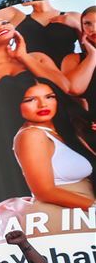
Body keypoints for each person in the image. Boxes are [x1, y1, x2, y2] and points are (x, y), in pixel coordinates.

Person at [0, 17, 71, 206]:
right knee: (22, 218)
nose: (0, 27)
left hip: (47, 146)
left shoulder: (36, 57)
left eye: (3, 23)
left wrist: (23, 56)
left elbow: (64, 87)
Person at [13, 79, 96, 230]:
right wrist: (93, 206)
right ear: (16, 104)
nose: (42, 105)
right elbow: (45, 192)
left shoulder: (63, 131)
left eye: (49, 97)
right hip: (61, 220)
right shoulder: (32, 135)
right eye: (30, 100)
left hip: (81, 215)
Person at [60, 6, 96, 115]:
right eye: (87, 23)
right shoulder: (72, 59)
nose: (93, 28)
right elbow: (74, 89)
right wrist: (93, 55)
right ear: (82, 27)